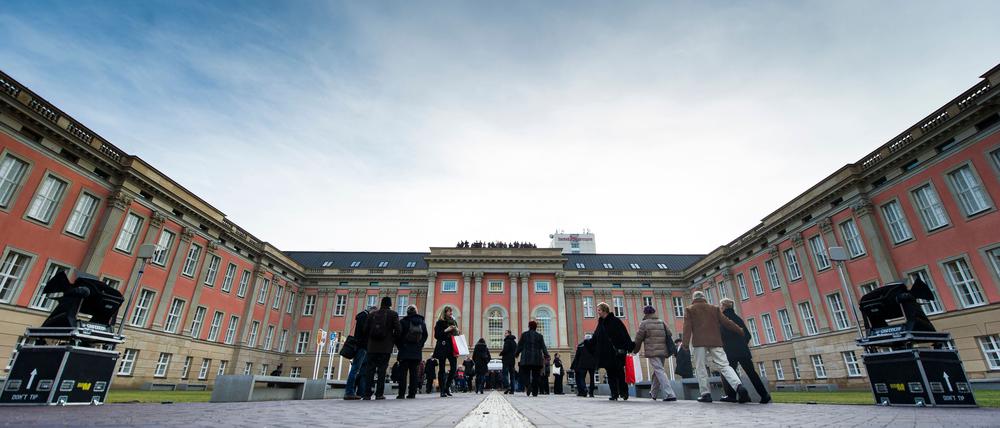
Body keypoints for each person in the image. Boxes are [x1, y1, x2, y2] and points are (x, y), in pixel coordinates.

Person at [682, 291, 749, 403]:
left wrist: (685, 344)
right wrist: (740, 330)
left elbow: (687, 327)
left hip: (699, 342)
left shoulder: (690, 309)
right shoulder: (714, 308)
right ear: (704, 298)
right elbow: (727, 322)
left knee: (701, 368)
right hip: (715, 341)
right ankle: (738, 386)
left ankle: (706, 394)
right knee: (724, 365)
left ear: (693, 299)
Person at [718, 298, 771, 404]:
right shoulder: (738, 318)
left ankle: (732, 396)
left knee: (730, 374)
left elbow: (722, 335)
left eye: (721, 306)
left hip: (730, 351)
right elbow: (748, 335)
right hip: (743, 350)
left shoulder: (723, 319)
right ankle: (764, 395)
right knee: (752, 373)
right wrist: (742, 344)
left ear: (723, 306)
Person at [586, 302, 632, 400]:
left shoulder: (615, 321)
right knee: (610, 373)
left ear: (604, 310)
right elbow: (596, 336)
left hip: (617, 352)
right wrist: (588, 343)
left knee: (619, 372)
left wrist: (628, 346)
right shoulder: (600, 323)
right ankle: (614, 394)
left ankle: (624, 392)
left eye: (598, 310)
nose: (597, 312)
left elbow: (624, 334)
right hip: (606, 353)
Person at [633, 305, 678, 401]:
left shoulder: (644, 323)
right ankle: (653, 393)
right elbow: (669, 334)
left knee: (659, 370)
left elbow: (638, 338)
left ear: (645, 313)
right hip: (663, 350)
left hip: (652, 351)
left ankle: (670, 394)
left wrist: (635, 350)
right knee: (658, 370)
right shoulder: (661, 322)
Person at [363, 296, 401, 400]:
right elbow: (398, 330)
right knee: (382, 370)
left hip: (372, 347)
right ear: (390, 304)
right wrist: (392, 340)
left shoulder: (372, 315)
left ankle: (367, 393)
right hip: (385, 347)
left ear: (381, 303)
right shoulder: (393, 314)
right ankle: (379, 394)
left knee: (370, 370)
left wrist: (369, 341)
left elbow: (365, 330)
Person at [396, 305, 428, 399]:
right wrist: (420, 345)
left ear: (407, 312)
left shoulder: (403, 321)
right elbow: (425, 335)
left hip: (404, 351)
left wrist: (400, 346)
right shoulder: (422, 322)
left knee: (403, 374)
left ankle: (401, 394)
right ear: (416, 312)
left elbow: (397, 335)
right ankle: (412, 394)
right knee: (414, 374)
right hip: (416, 352)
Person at [344, 306, 375, 400]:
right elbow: (365, 332)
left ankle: (360, 392)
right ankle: (349, 392)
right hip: (362, 346)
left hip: (361, 346)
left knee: (361, 370)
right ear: (371, 311)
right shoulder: (365, 317)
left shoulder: (361, 316)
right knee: (356, 369)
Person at [515, 320, 549, 397]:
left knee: (524, 374)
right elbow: (543, 347)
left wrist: (516, 353)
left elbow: (520, 345)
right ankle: (535, 392)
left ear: (529, 326)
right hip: (537, 359)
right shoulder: (540, 336)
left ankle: (528, 385)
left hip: (526, 358)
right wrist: (546, 355)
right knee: (536, 375)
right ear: (536, 327)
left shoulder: (524, 335)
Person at [433, 306, 461, 397]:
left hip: (452, 347)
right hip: (443, 346)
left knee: (453, 368)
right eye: (449, 312)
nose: (451, 313)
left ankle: (447, 387)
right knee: (441, 368)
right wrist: (446, 330)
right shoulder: (440, 322)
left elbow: (457, 335)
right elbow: (437, 335)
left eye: (451, 312)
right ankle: (442, 390)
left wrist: (457, 330)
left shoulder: (454, 322)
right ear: (445, 313)